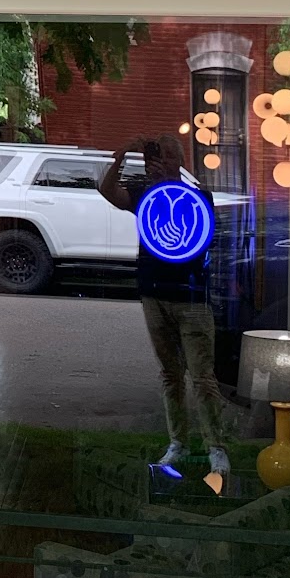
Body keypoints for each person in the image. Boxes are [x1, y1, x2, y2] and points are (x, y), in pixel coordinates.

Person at [102, 132, 230, 481]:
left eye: (165, 157)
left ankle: (215, 447)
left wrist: (168, 183)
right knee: (170, 374)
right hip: (154, 294)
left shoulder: (197, 194)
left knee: (202, 375)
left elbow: (204, 233)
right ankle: (178, 443)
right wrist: (121, 157)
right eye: (152, 158)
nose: (157, 164)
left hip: (190, 296)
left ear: (179, 161)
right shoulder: (143, 193)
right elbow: (108, 191)